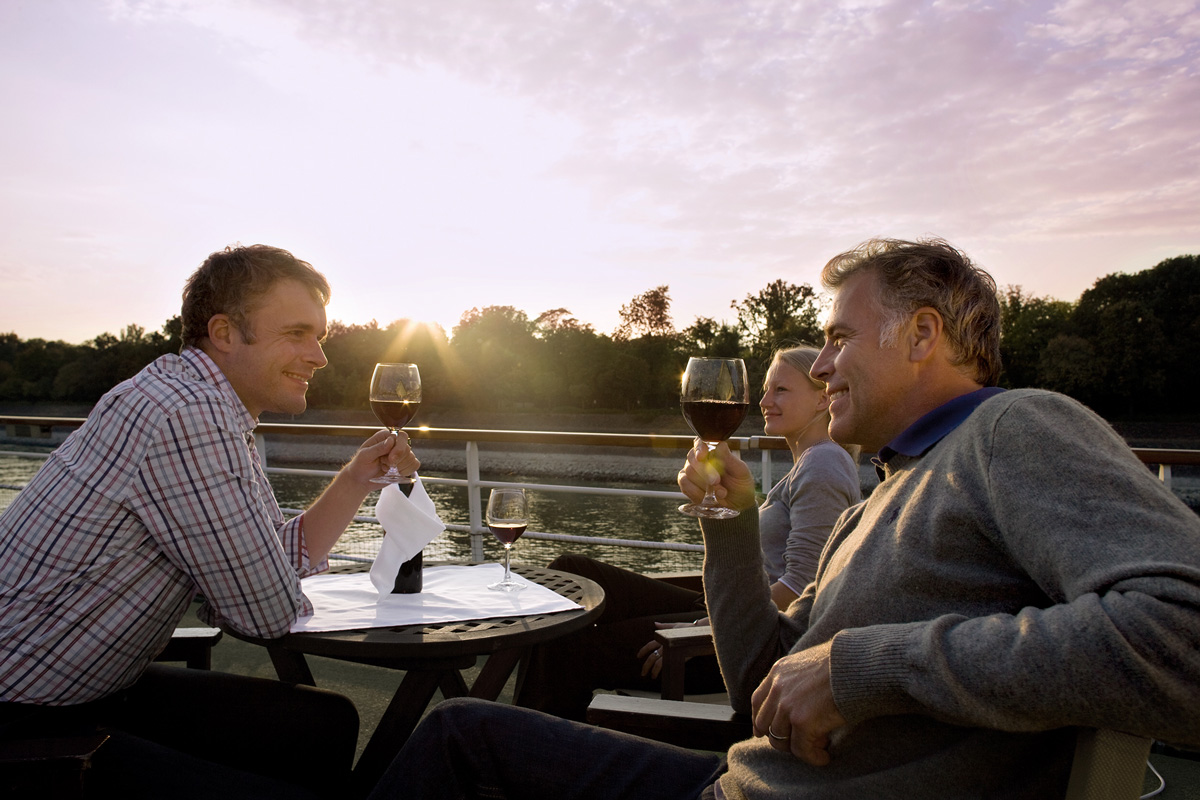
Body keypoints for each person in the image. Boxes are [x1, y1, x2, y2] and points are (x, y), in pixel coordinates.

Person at [365, 237, 1200, 800]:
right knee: (464, 733)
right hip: (744, 782)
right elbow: (763, 682)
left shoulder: (1013, 429)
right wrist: (731, 527)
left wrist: (863, 667)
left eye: (838, 338)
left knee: (462, 742)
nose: (824, 362)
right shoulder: (882, 491)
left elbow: (1184, 636)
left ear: (922, 335)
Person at [0, 244, 419, 799]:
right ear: (223, 333)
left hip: (92, 688)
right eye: (296, 334)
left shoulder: (201, 402)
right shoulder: (186, 415)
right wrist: (275, 586)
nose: (318, 356)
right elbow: (264, 613)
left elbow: (275, 558)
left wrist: (353, 480)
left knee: (323, 723)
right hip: (27, 720)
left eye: (319, 336)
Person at [515, 346, 861, 720]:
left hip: (745, 641)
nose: (763, 401)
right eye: (764, 389)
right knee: (571, 571)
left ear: (822, 399)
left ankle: (525, 749)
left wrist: (704, 630)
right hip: (730, 611)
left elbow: (803, 587)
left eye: (781, 390)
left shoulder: (823, 463)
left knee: (571, 644)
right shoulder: (806, 464)